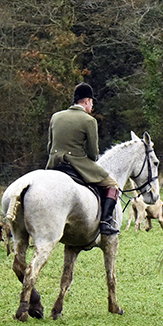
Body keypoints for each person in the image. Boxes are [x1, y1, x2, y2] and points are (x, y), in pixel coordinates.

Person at [46, 82, 120, 236]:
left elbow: (49, 146)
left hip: (54, 163)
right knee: (112, 185)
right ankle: (106, 222)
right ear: (87, 101)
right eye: (91, 102)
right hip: (76, 164)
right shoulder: (89, 120)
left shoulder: (55, 117)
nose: (92, 106)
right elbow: (93, 154)